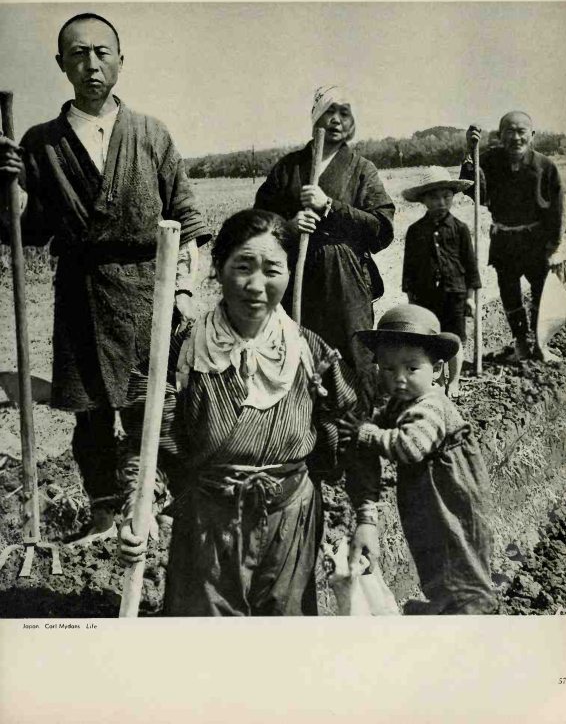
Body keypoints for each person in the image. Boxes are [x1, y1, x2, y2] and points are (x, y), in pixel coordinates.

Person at [0, 13, 211, 543]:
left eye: (101, 52)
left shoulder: (151, 133)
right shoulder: (41, 143)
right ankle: (103, 514)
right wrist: (8, 190)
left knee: (155, 408)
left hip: (149, 291)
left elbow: (188, 220)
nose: (91, 64)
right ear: (61, 64)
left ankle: (164, 506)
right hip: (82, 292)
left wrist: (184, 291)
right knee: (90, 414)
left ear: (120, 60)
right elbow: (27, 232)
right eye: (77, 54)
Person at [118, 209, 380, 616]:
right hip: (206, 529)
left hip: (290, 527)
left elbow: (353, 431)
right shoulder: (182, 351)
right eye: (243, 267)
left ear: (289, 272)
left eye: (272, 269)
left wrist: (366, 516)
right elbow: (145, 442)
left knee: (282, 642)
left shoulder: (310, 352)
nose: (257, 285)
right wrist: (138, 508)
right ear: (218, 269)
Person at [337, 304, 496, 615]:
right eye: (388, 369)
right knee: (434, 560)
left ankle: (470, 615)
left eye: (411, 369)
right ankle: (446, 608)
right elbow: (381, 425)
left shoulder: (430, 405)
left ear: (436, 370)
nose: (399, 378)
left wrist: (366, 433)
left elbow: (410, 447)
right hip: (428, 498)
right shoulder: (402, 401)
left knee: (458, 558)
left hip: (449, 498)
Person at [253, 85, 395, 412]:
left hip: (345, 280)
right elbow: (257, 222)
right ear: (315, 117)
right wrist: (288, 227)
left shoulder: (362, 170)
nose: (336, 120)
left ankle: (358, 430)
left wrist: (330, 207)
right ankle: (302, 432)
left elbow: (382, 230)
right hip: (295, 278)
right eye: (329, 111)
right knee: (295, 352)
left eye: (344, 113)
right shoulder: (288, 168)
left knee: (353, 355)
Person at [460, 111, 565, 363]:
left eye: (521, 131)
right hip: (504, 242)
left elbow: (557, 210)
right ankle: (520, 344)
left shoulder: (545, 166)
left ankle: (541, 344)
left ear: (532, 135)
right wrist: (469, 151)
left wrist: (555, 247)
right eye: (510, 131)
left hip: (536, 242)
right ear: (500, 135)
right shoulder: (489, 160)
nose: (516, 137)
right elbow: (472, 189)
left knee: (543, 293)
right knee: (510, 294)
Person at [402, 166, 480, 398]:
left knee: (454, 339)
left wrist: (470, 298)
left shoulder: (460, 229)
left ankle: (454, 381)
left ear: (453, 197)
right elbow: (409, 270)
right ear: (424, 200)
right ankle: (435, 379)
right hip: (425, 295)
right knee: (429, 339)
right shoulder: (415, 231)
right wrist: (411, 300)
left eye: (446, 196)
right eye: (434, 197)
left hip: (454, 293)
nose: (441, 202)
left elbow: (471, 267)